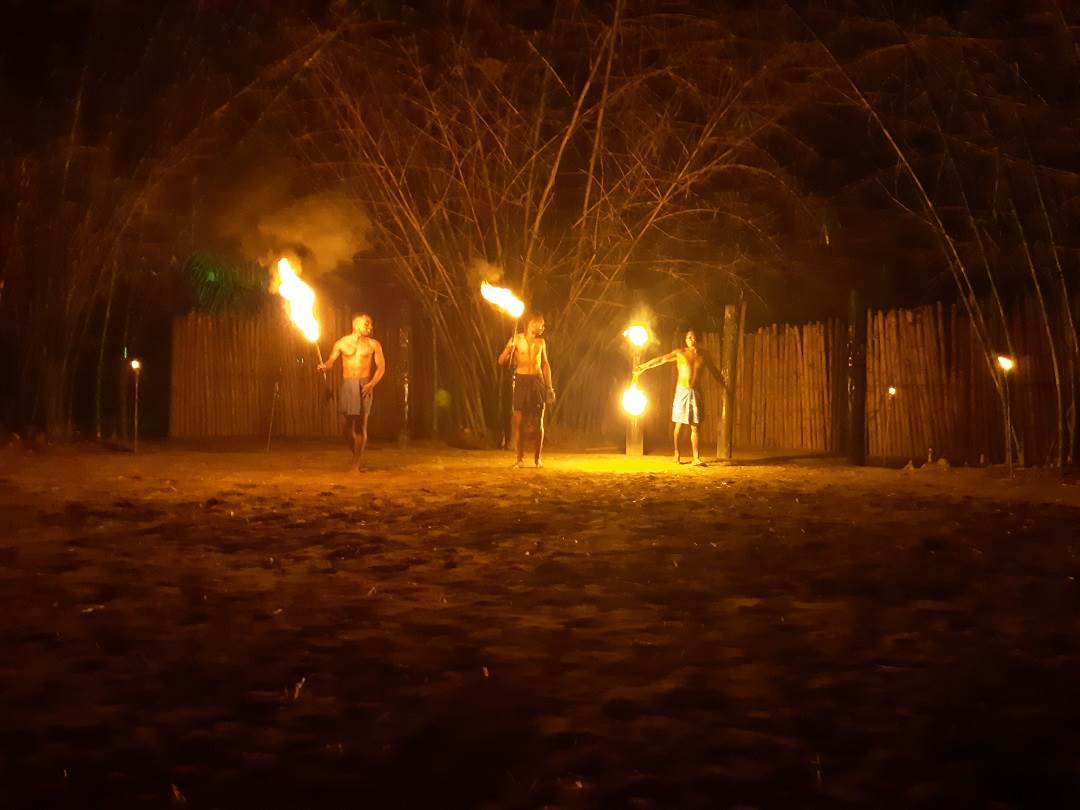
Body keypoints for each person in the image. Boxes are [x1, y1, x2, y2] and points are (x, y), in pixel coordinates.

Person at [634, 328, 724, 465]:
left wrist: (724, 386)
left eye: (693, 337)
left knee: (695, 426)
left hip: (696, 392)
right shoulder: (680, 353)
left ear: (698, 339)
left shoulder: (704, 355)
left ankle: (696, 458)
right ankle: (677, 455)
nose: (691, 339)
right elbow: (661, 359)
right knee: (679, 424)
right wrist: (644, 367)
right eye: (688, 337)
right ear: (685, 340)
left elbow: (714, 371)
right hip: (682, 391)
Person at [319, 313, 385, 470]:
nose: (370, 327)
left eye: (370, 324)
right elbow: (330, 362)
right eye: (366, 324)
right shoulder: (342, 343)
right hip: (348, 384)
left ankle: (355, 463)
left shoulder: (373, 344)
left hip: (364, 384)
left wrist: (371, 384)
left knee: (361, 425)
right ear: (356, 325)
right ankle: (357, 454)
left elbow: (381, 367)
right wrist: (324, 366)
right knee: (347, 428)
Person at [498, 314, 554, 468]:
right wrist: (509, 349)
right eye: (541, 324)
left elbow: (545, 365)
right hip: (521, 381)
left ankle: (537, 459)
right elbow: (501, 361)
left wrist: (549, 387)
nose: (543, 327)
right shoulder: (516, 339)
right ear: (532, 323)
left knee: (538, 423)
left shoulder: (541, 342)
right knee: (519, 422)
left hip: (537, 381)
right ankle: (520, 459)